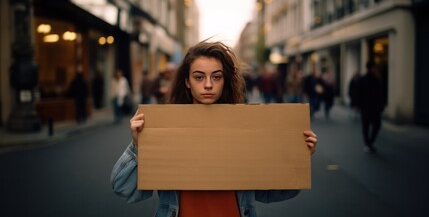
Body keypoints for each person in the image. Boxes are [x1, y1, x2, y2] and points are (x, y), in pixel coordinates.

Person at [110, 41, 318, 217]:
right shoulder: (165, 129)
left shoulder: (245, 130)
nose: (208, 84)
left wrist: (297, 157)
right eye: (199, 77)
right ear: (187, 82)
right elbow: (123, 188)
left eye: (216, 77)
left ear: (224, 81)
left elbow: (274, 192)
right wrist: (138, 147)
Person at [357, 61, 385, 153]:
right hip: (368, 107)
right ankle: (368, 143)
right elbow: (359, 93)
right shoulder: (366, 79)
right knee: (367, 125)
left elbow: (381, 94)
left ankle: (369, 142)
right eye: (374, 67)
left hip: (372, 108)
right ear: (371, 68)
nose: (375, 69)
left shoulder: (376, 79)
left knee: (374, 125)